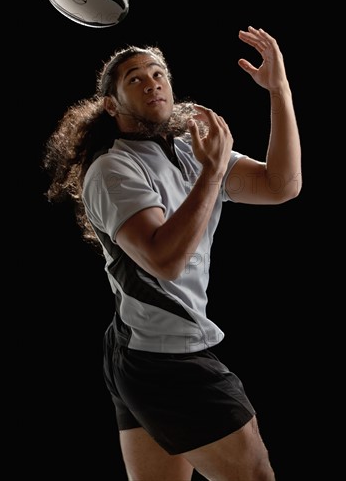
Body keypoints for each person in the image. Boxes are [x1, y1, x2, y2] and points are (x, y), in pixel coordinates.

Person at [43, 26, 302, 481]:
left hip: (141, 347)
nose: (152, 82)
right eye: (134, 79)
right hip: (165, 358)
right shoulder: (112, 168)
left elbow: (282, 186)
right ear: (111, 104)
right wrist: (213, 172)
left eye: (158, 72)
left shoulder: (188, 152)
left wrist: (278, 89)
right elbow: (164, 261)